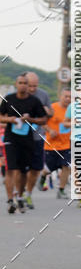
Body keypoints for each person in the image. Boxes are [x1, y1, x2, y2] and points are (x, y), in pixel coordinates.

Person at [0, 74, 48, 213]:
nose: (23, 85)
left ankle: (20, 197)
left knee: (23, 171)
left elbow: (44, 119)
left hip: (27, 140)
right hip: (10, 138)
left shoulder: (34, 101)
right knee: (10, 169)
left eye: (25, 83)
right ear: (16, 84)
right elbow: (0, 116)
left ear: (28, 85)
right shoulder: (9, 99)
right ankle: (10, 200)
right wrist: (11, 120)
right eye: (20, 82)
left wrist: (31, 119)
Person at [23, 72, 53, 208]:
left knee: (35, 169)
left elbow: (51, 113)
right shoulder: (16, 96)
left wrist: (47, 110)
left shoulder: (43, 94)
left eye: (35, 86)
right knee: (21, 168)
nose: (33, 89)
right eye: (30, 86)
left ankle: (27, 194)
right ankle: (20, 193)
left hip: (38, 137)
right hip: (20, 138)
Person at [41, 87, 72, 198]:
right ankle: (43, 175)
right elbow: (42, 122)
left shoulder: (73, 109)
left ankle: (61, 190)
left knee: (66, 166)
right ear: (60, 96)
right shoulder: (52, 108)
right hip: (51, 145)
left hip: (67, 144)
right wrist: (49, 130)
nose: (68, 99)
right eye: (66, 96)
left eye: (70, 97)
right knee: (50, 168)